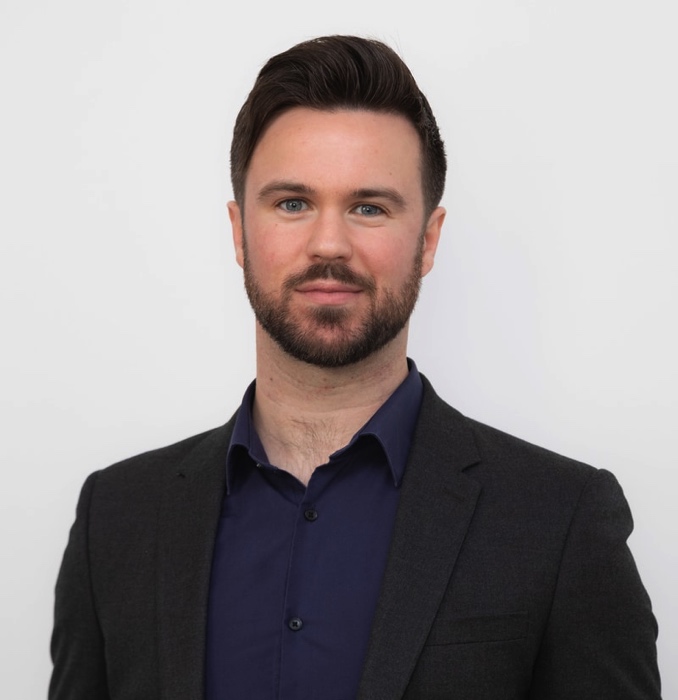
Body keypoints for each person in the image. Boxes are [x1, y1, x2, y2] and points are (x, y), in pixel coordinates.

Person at [49, 35, 661, 700]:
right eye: (292, 203)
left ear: (428, 240)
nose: (329, 245)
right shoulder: (117, 519)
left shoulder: (560, 520)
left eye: (369, 207)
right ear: (239, 232)